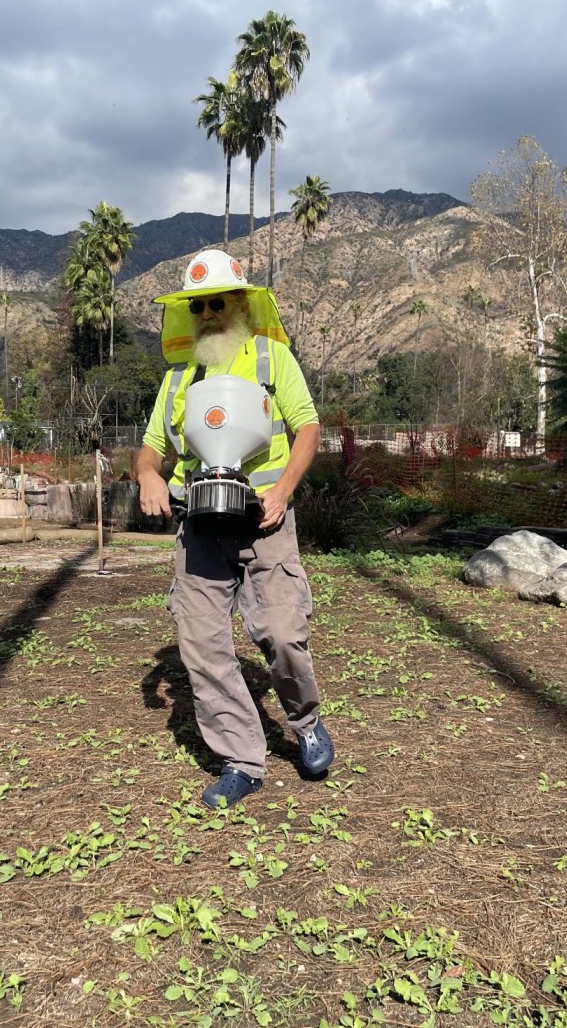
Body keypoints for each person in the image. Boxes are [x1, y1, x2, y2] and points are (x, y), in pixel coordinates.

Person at [135, 248, 334, 809]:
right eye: (198, 305)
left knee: (281, 633)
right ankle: (241, 760)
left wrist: (283, 489)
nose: (210, 313)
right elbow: (152, 449)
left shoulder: (272, 360)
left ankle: (306, 720)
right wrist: (150, 476)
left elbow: (308, 428)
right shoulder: (179, 380)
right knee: (202, 645)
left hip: (263, 522)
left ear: (242, 303)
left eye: (219, 301)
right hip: (199, 527)